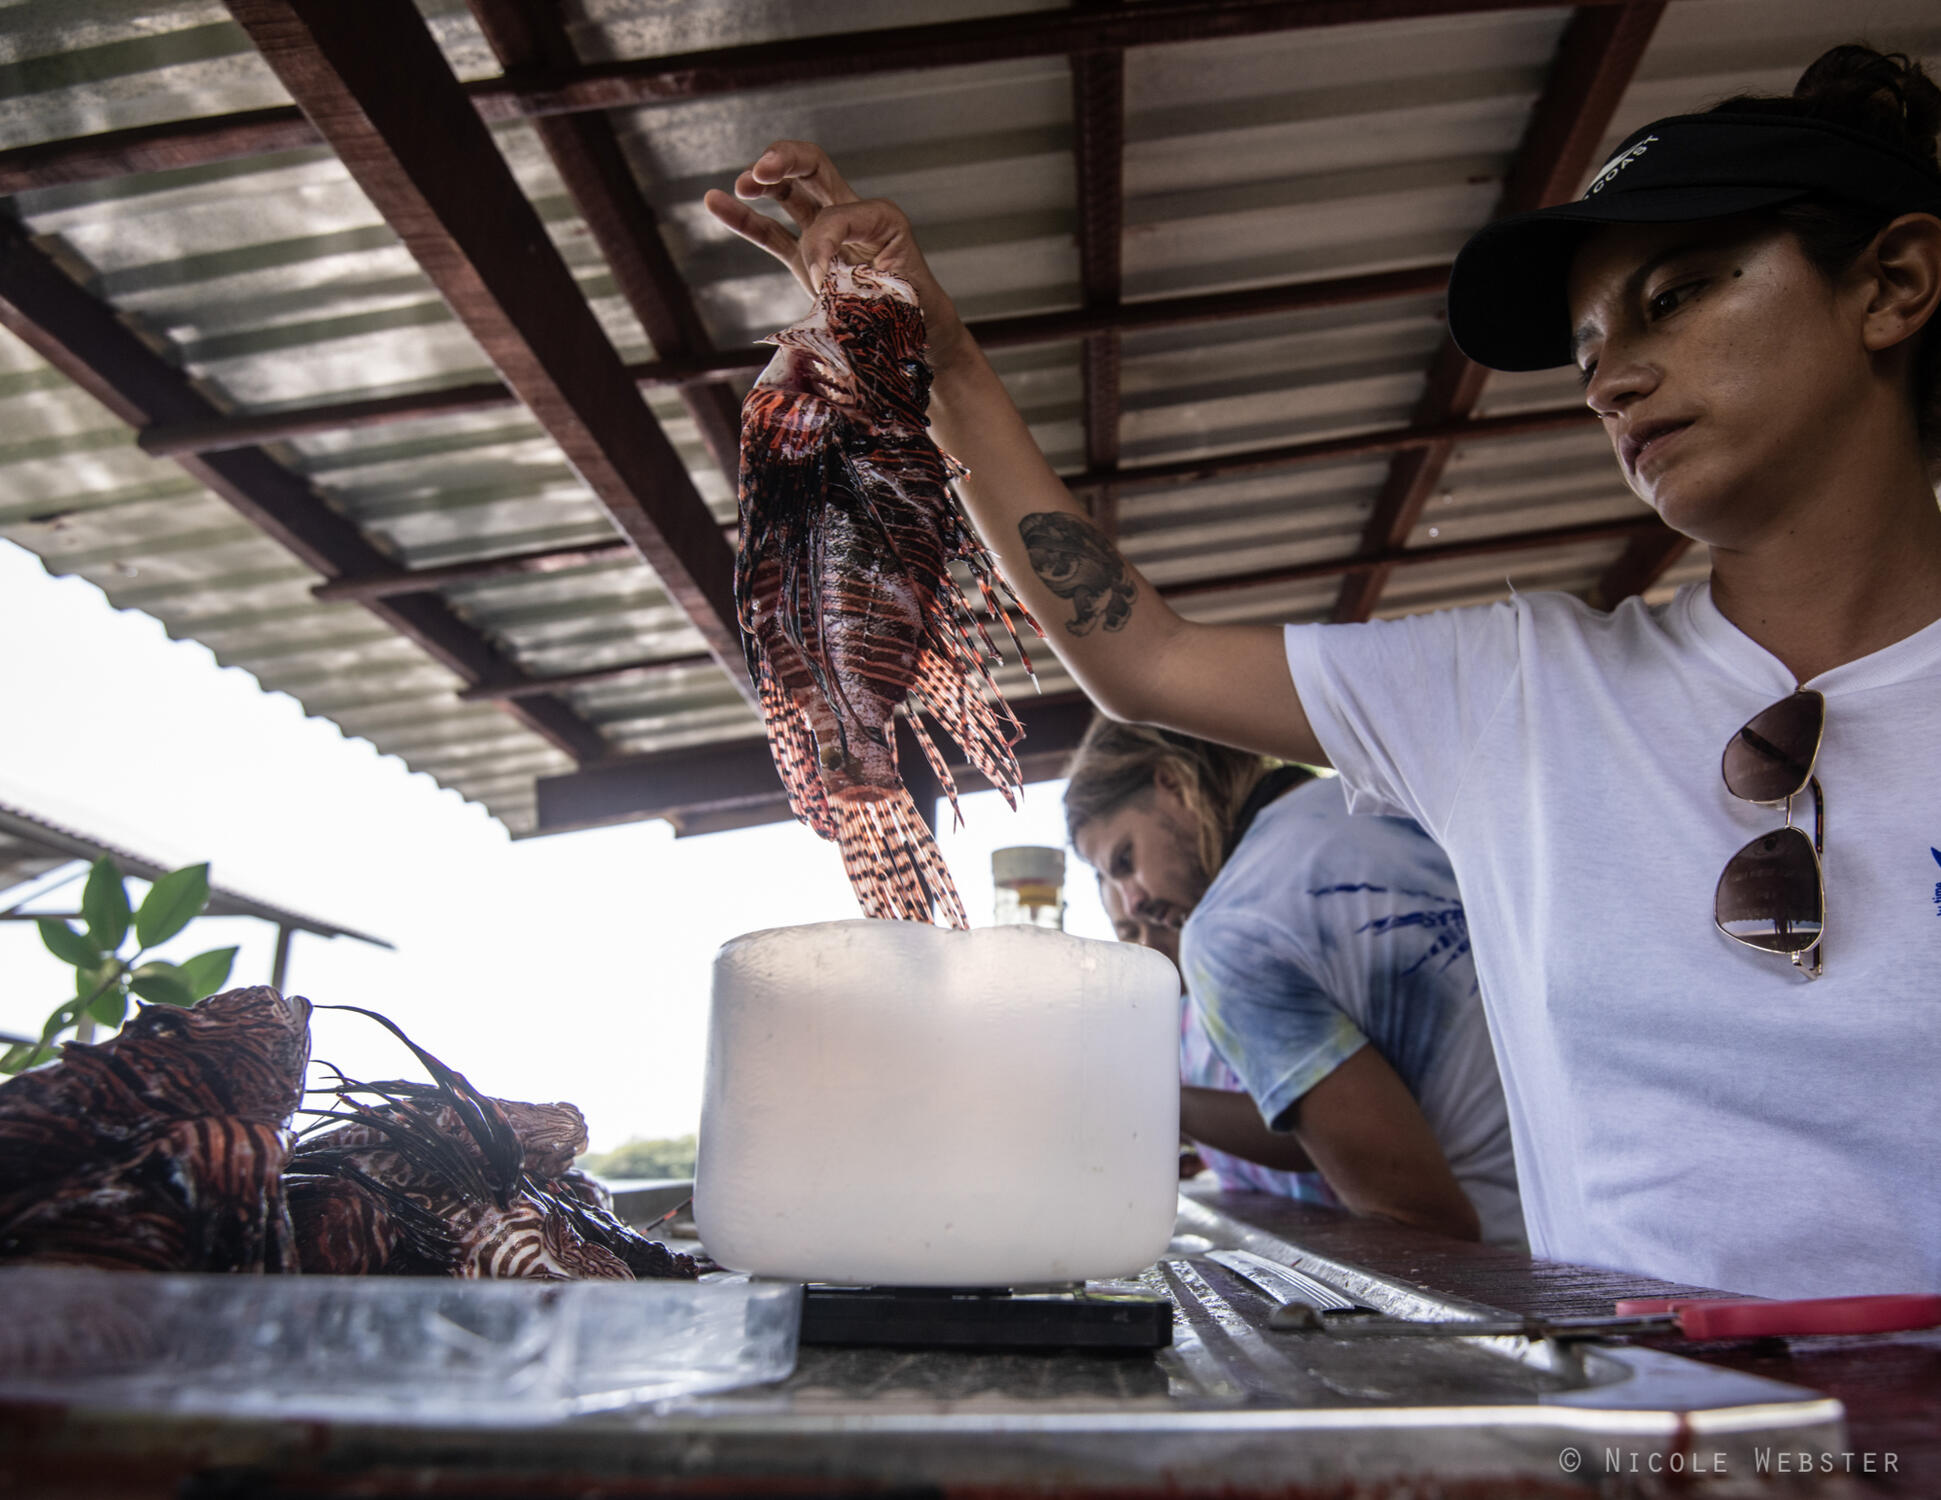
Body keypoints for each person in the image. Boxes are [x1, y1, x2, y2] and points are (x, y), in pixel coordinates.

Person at [706, 44, 1941, 1299]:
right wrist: (945, 358)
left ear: (1893, 285)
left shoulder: (1264, 916)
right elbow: (1144, 654)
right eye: (1585, 354)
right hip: (1673, 1412)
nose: (1614, 380)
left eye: (1674, 297)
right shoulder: (1519, 690)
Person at [1073, 722, 1521, 1243]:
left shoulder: (1228, 929)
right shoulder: (1384, 798)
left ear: (1174, 783)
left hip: (1511, 1258)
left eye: (1125, 860)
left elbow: (1421, 1220)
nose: (1134, 902)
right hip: (1581, 1199)